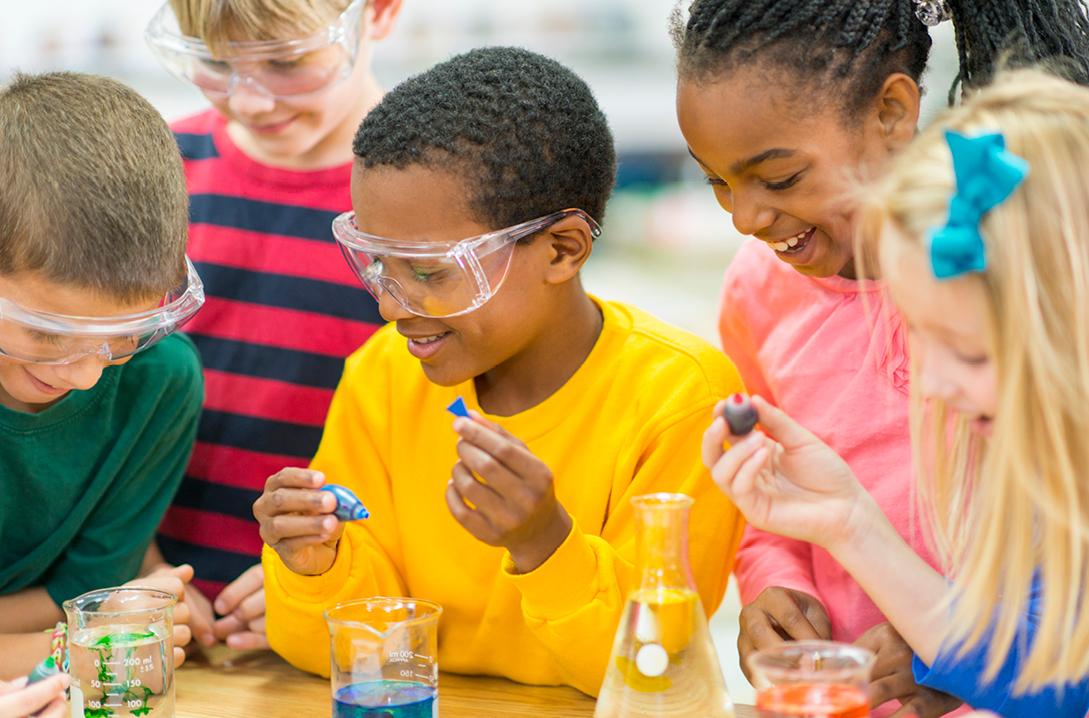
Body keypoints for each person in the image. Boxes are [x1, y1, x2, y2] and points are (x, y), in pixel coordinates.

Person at [671, 0, 1089, 715]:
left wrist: (954, 650)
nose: (745, 217)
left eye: (780, 179)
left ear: (890, 111)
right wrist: (769, 583)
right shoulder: (756, 291)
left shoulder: (995, 266)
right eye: (718, 182)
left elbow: (1078, 563)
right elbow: (770, 492)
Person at [255, 46, 745, 696]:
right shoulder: (382, 375)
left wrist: (545, 541)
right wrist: (315, 566)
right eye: (378, 264)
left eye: (428, 271)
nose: (388, 302)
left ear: (562, 249)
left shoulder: (683, 399)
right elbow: (339, 651)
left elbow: (649, 671)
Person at [140, 0, 403, 651]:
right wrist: (142, 570)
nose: (252, 101)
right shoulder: (154, 176)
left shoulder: (427, 205)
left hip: (350, 619)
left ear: (380, 12)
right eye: (214, 63)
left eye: (287, 62)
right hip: (157, 610)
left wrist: (321, 584)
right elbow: (100, 402)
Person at [0, 72, 203, 672]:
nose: (87, 375)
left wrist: (92, 630)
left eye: (122, 336)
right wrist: (82, 646)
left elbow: (80, 596)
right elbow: (87, 621)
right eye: (48, 334)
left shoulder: (158, 379)